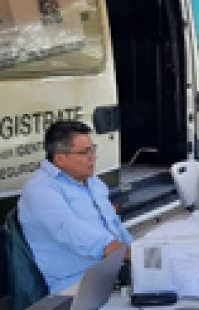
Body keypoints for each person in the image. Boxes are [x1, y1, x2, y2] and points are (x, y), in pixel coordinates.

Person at [17, 120, 132, 294]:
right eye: (85, 152)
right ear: (60, 159)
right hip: (76, 285)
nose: (93, 157)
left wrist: (137, 252)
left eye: (93, 149)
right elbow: (68, 228)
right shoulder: (40, 189)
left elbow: (114, 224)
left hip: (112, 273)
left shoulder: (93, 182)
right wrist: (113, 249)